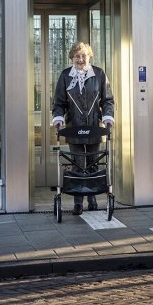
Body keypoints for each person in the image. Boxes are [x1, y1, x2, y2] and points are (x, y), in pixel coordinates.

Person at [52, 42, 115, 215]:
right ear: (72, 58)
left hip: (95, 127)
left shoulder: (99, 74)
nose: (80, 59)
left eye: (84, 56)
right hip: (74, 128)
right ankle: (78, 202)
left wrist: (108, 116)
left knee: (94, 162)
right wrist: (58, 117)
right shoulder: (66, 76)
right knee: (78, 164)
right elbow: (59, 102)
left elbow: (107, 100)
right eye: (77, 56)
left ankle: (92, 198)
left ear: (89, 56)